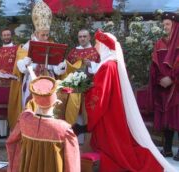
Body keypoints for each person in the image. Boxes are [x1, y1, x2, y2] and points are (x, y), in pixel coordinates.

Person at [73, 30, 175, 171]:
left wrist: (85, 90)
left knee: (111, 149)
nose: (95, 47)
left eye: (97, 44)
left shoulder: (107, 66)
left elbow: (100, 95)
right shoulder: (112, 64)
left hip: (107, 115)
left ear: (104, 46)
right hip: (113, 111)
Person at [8, 1, 66, 130]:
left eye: (47, 34)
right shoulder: (27, 46)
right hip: (32, 82)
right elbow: (20, 67)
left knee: (49, 110)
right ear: (36, 32)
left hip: (49, 81)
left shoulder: (52, 45)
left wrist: (61, 66)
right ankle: (29, 132)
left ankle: (48, 131)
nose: (45, 37)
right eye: (42, 34)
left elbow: (57, 69)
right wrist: (26, 62)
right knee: (31, 108)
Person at [6, 76, 80, 172]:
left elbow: (12, 143)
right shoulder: (64, 130)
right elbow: (72, 164)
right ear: (57, 103)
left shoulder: (24, 120)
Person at [149, 11, 179, 160]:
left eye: (168, 24)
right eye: (164, 24)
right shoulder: (159, 43)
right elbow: (155, 65)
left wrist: (172, 79)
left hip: (177, 86)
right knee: (167, 118)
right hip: (163, 87)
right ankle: (167, 149)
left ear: (175, 25)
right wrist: (160, 79)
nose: (165, 27)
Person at [0, 28, 18, 138]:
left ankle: (12, 130)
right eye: (4, 35)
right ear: (1, 37)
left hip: (11, 84)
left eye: (8, 35)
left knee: (11, 106)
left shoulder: (17, 49)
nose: (6, 37)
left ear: (11, 36)